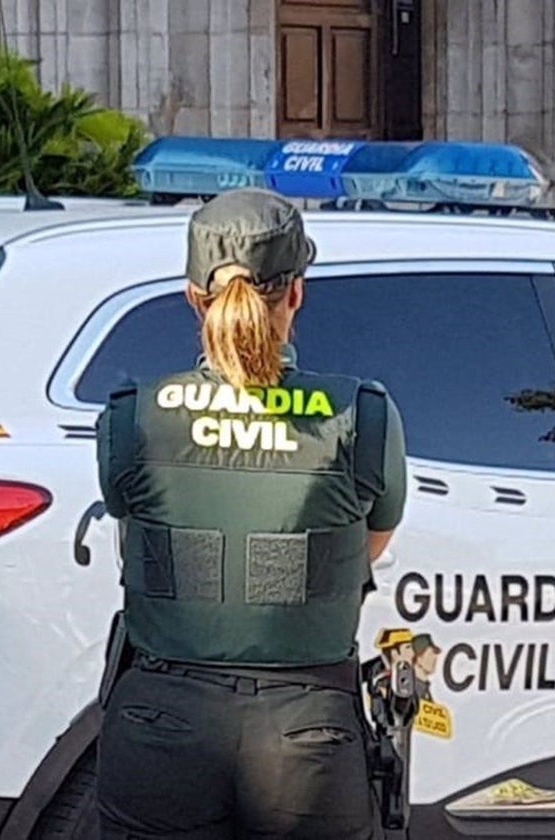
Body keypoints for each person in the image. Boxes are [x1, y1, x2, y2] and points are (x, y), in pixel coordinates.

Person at [95, 188, 407, 839]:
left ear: (192, 296)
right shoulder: (361, 415)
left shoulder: (135, 416)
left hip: (159, 724)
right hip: (308, 732)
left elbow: (137, 538)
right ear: (296, 293)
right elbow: (368, 545)